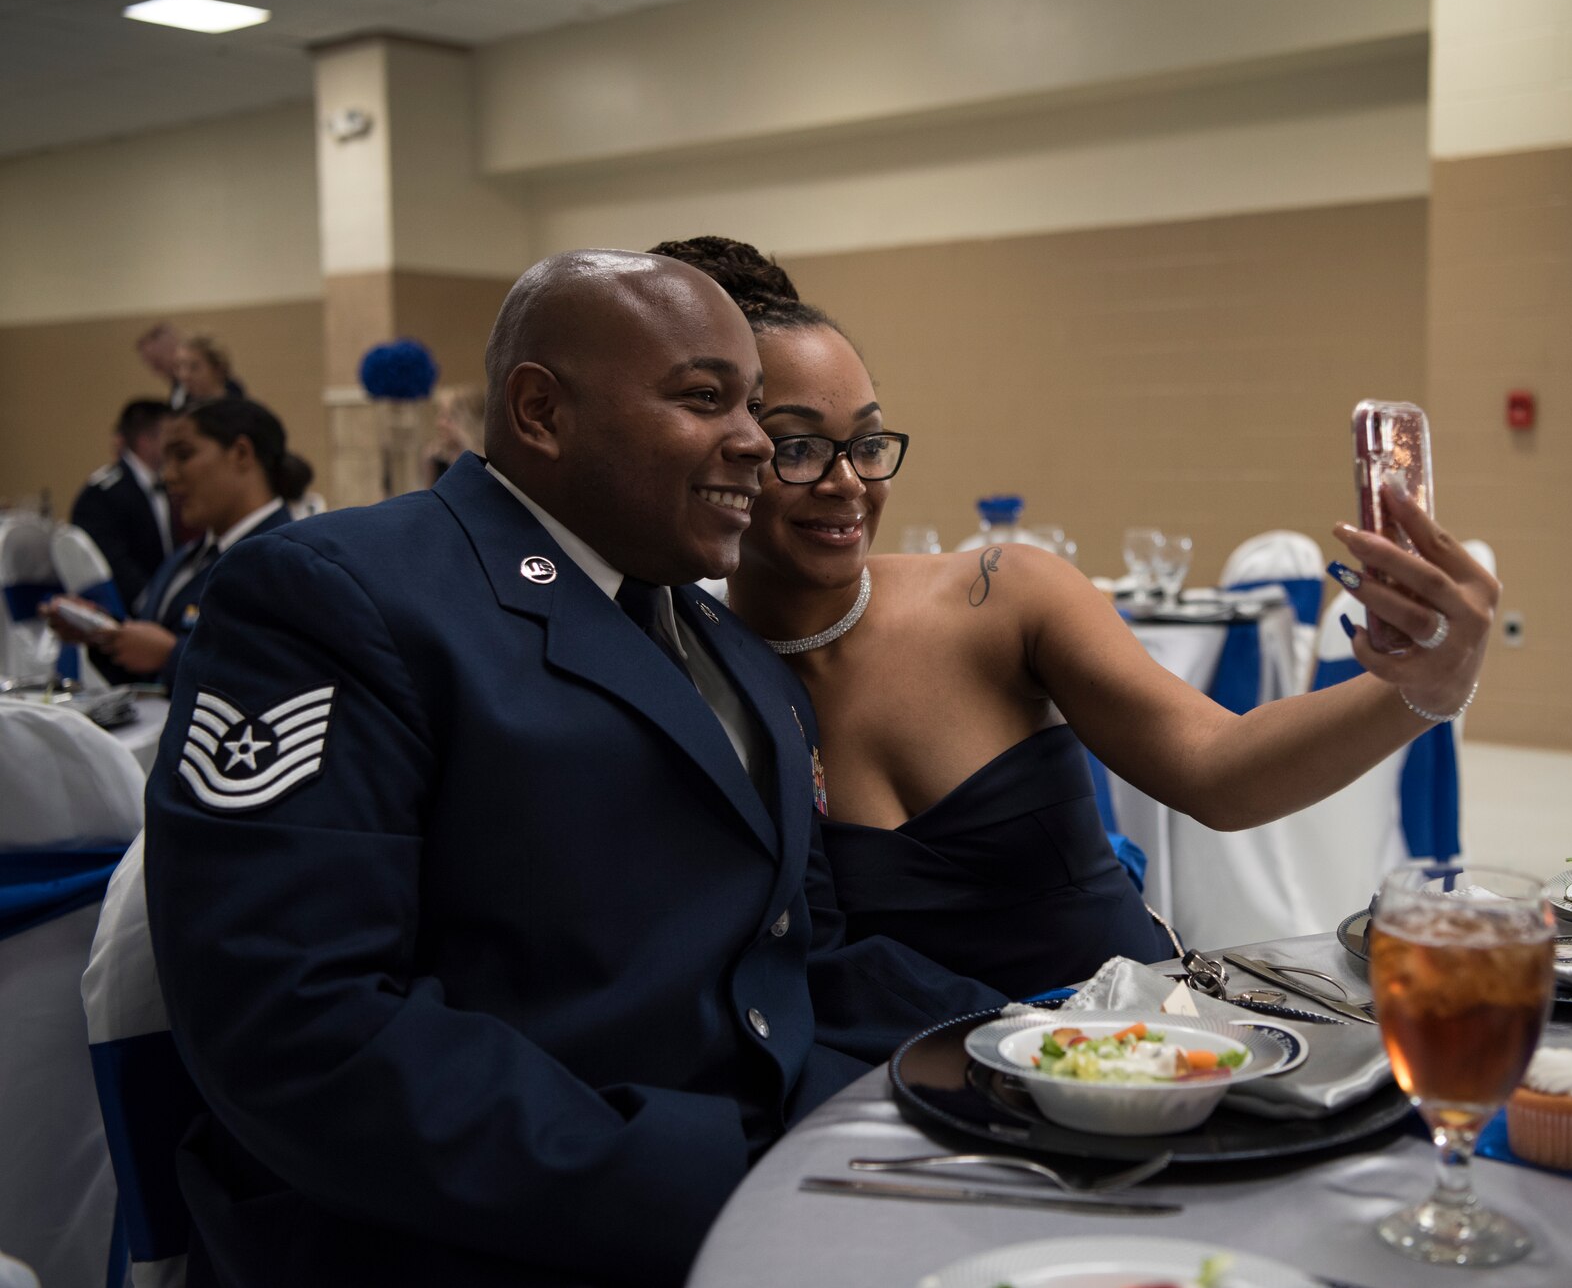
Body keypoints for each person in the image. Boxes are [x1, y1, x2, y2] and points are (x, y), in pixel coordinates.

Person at [141, 250, 996, 1287]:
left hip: (747, 1176)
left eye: (756, 406)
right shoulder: (341, 598)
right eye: (703, 399)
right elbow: (301, 1027)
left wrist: (1029, 1046)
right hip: (465, 1237)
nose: (753, 443)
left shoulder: (725, 650)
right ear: (541, 412)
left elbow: (795, 955)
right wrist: (726, 1187)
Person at [652, 236, 1500, 998]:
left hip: (1138, 1049)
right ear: (734, 452)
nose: (848, 483)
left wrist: (1420, 690)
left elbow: (1219, 769)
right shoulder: (697, 672)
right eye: (799, 446)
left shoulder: (1002, 594)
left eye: (868, 443)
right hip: (900, 1092)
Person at [47, 397, 309, 687]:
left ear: (241, 454)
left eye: (183, 456)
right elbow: (149, 678)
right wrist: (107, 638)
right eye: (166, 460)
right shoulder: (188, 557)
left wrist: (171, 656)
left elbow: (287, 678)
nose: (168, 475)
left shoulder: (288, 559)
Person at [69, 397, 174, 609]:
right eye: (169, 435)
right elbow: (107, 563)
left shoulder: (170, 484)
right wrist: (152, 602)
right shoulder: (102, 493)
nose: (176, 443)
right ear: (146, 441)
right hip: (127, 613)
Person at [172, 333, 247, 408]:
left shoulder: (247, 414)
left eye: (194, 367)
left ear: (218, 370)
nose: (184, 375)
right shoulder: (181, 413)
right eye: (179, 367)